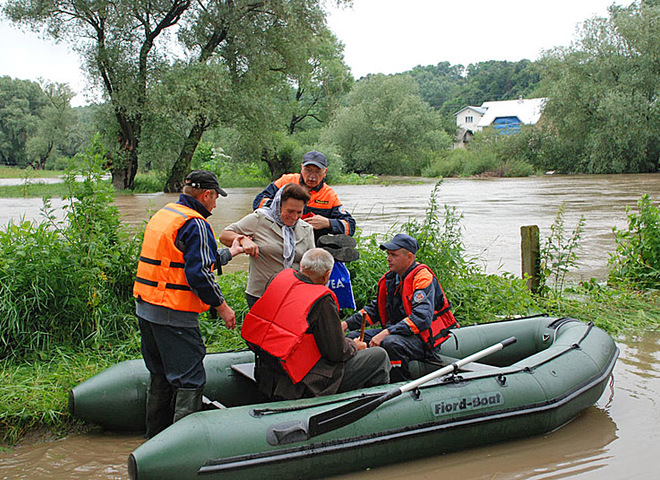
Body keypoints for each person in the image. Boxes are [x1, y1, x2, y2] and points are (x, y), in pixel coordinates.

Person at [133, 170, 244, 438]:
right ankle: (183, 447)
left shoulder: (167, 214)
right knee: (190, 380)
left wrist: (232, 252)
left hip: (147, 310)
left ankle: (155, 439)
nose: (216, 204)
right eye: (216, 197)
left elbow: (184, 261)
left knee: (160, 375)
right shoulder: (195, 224)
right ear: (206, 195)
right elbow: (198, 275)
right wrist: (222, 307)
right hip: (175, 315)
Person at [242, 248, 390, 400]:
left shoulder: (277, 279)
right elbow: (336, 353)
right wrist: (354, 346)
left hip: (268, 371)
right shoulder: (322, 300)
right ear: (327, 275)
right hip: (304, 382)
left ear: (301, 266)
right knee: (378, 356)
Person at [342, 234, 458, 383]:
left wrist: (386, 332)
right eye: (388, 254)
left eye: (393, 255)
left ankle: (400, 383)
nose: (388, 259)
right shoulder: (392, 278)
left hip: (421, 339)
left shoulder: (422, 278)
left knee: (391, 343)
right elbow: (375, 309)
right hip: (397, 332)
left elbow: (421, 319)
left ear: (409, 257)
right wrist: (345, 324)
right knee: (352, 337)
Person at [220, 183, 315, 308]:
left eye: (299, 212)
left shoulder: (306, 229)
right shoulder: (259, 219)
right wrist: (243, 240)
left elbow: (311, 262)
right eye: (290, 211)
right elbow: (224, 235)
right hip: (261, 294)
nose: (294, 217)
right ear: (278, 205)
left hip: (293, 295)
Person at [252, 150, 356, 242]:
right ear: (301, 168)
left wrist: (328, 223)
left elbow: (350, 226)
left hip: (310, 245)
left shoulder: (329, 195)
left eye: (317, 172)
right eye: (308, 170)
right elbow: (258, 202)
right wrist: (281, 208)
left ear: (325, 172)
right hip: (279, 239)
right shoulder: (286, 181)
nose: (312, 176)